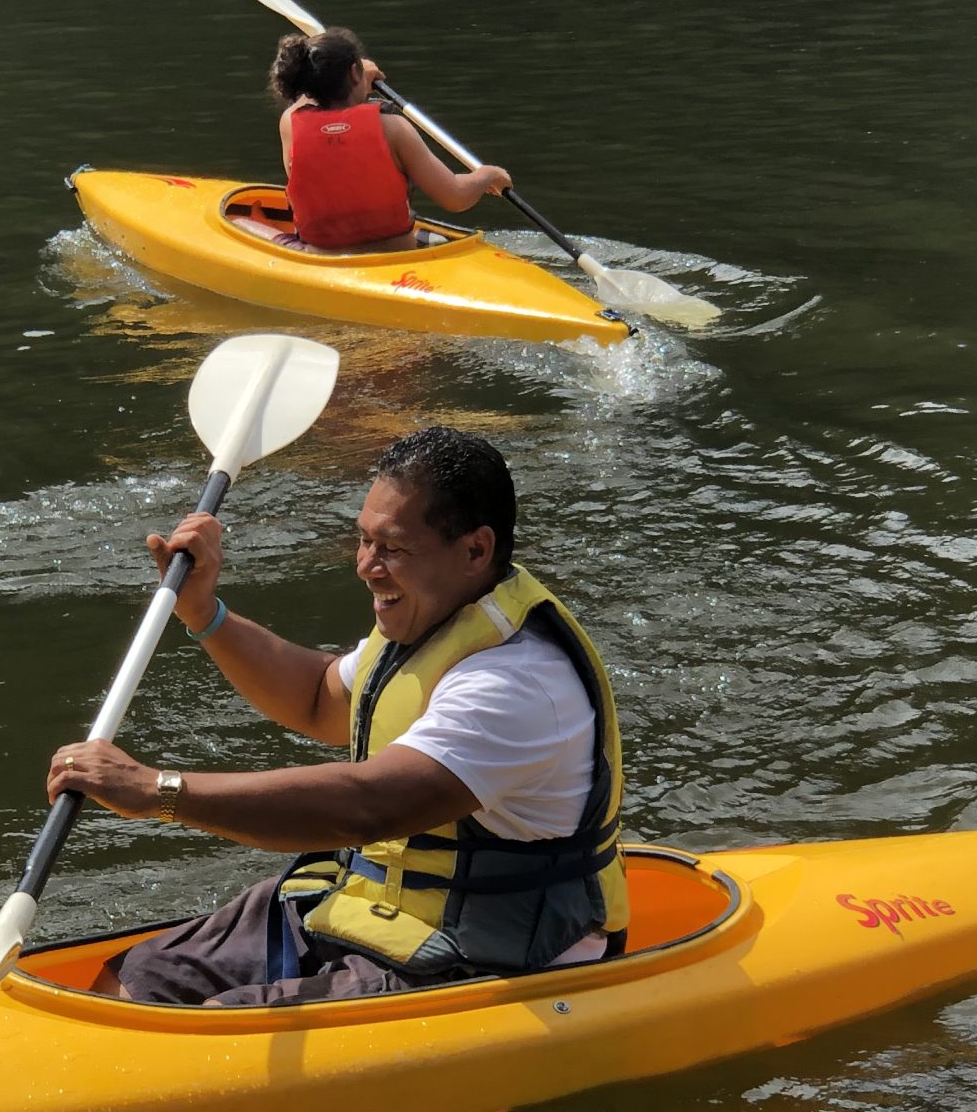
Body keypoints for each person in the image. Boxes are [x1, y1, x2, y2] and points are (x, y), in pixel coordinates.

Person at [46, 426, 628, 1007]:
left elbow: (367, 807)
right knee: (140, 979)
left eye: (392, 548)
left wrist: (158, 791)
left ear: (476, 550)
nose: (366, 566)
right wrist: (203, 612)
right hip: (378, 908)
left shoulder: (517, 681)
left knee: (219, 1030)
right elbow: (318, 698)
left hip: (488, 954)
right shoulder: (432, 621)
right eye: (364, 540)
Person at [274, 29, 515, 252]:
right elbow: (455, 197)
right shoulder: (394, 128)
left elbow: (308, 104)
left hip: (322, 258)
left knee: (256, 227)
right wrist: (488, 175)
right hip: (395, 255)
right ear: (355, 73)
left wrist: (354, 77)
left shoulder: (290, 125)